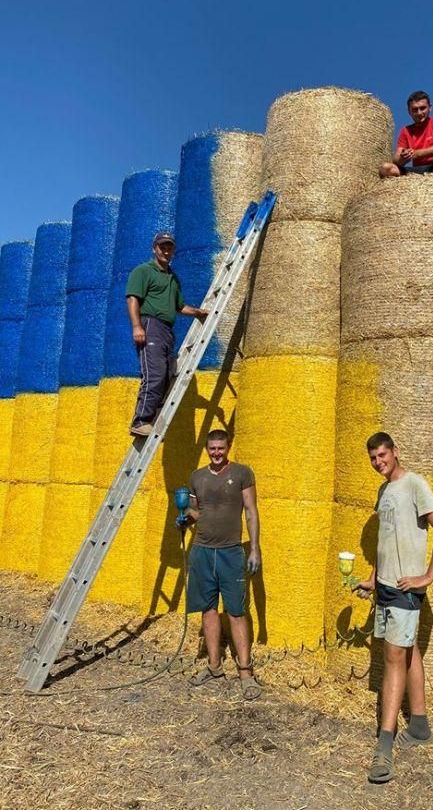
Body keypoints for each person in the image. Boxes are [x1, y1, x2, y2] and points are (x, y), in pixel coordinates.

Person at [353, 432, 433, 784]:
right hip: (386, 586)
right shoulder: (384, 492)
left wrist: (428, 575)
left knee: (392, 658)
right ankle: (420, 726)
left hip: (406, 590)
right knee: (408, 653)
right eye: (373, 459)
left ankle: (384, 746)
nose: (379, 462)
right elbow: (388, 539)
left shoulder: (414, 484)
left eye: (382, 455)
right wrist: (373, 577)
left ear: (395, 452)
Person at [184, 429, 263, 699]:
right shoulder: (197, 477)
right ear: (207, 449)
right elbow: (195, 511)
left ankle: (245, 672)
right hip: (202, 550)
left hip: (230, 552)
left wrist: (254, 548)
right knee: (207, 609)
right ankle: (214, 666)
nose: (216, 453)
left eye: (221, 448)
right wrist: (184, 517)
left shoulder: (242, 473)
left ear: (228, 447)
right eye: (212, 449)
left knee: (236, 612)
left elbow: (251, 511)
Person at [125, 231, 208, 436]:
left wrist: (198, 313)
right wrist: (137, 326)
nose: (166, 250)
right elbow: (132, 299)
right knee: (155, 374)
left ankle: (151, 420)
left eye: (169, 247)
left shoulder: (173, 278)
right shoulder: (143, 271)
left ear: (173, 250)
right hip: (150, 325)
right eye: (162, 246)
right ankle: (140, 420)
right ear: (154, 248)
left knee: (167, 374)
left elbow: (179, 307)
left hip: (166, 330)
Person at [379, 90, 433, 178]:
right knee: (385, 168)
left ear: (430, 108)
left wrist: (417, 153)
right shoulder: (405, 130)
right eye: (415, 110)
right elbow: (396, 159)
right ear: (409, 111)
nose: (419, 113)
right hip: (416, 172)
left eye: (423, 108)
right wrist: (403, 157)